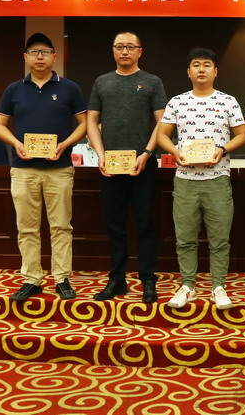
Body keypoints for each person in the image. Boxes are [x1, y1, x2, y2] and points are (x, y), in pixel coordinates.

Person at [0, 33, 87, 302]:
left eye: (45, 52)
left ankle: (62, 278)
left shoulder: (70, 88)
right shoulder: (13, 89)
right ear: (25, 57)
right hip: (24, 169)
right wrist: (16, 144)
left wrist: (64, 145)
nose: (39, 57)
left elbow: (84, 124)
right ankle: (31, 278)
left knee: (61, 226)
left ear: (54, 57)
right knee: (27, 227)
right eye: (34, 52)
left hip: (59, 168)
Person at [156, 48, 245, 310]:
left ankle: (218, 286)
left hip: (217, 179)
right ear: (189, 72)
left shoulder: (228, 101)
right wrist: (176, 152)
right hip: (185, 179)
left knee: (220, 239)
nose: (202, 69)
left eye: (207, 65)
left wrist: (223, 150)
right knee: (185, 238)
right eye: (196, 65)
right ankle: (188, 286)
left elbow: (242, 134)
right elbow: (162, 135)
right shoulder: (177, 102)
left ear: (215, 71)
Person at [87, 31, 167, 303]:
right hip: (110, 166)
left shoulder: (152, 81)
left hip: (143, 165)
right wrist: (100, 154)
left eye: (130, 47)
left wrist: (147, 153)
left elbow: (162, 122)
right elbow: (91, 121)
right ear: (113, 50)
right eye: (119, 46)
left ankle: (148, 280)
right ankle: (117, 280)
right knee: (114, 225)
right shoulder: (102, 82)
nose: (124, 51)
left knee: (146, 224)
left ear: (139, 51)